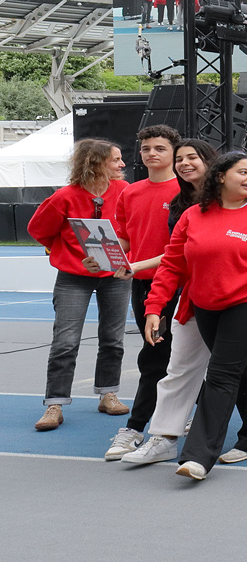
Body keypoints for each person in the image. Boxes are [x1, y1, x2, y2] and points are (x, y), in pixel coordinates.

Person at [142, 152, 247, 480]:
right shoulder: (193, 216)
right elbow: (172, 265)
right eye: (242, 172)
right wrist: (154, 307)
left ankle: (197, 455)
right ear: (220, 176)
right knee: (242, 370)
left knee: (221, 374)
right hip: (207, 306)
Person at [119, 141, 229, 465]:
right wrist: (127, 267)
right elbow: (173, 257)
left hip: (233, 297)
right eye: (145, 149)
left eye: (190, 157)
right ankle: (155, 432)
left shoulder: (237, 201)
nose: (184, 163)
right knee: (168, 361)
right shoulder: (180, 204)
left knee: (241, 371)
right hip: (175, 292)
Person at [30, 139, 130, 431]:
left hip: (115, 275)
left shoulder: (124, 191)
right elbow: (39, 229)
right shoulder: (64, 196)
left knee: (113, 339)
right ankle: (55, 404)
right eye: (115, 159)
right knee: (65, 341)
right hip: (73, 277)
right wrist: (68, 255)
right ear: (96, 162)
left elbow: (133, 230)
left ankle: (108, 393)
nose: (122, 164)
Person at [102, 125, 182, 458]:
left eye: (159, 148)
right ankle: (182, 416)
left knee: (157, 358)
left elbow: (179, 251)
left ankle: (135, 428)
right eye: (146, 148)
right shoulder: (130, 192)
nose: (151, 153)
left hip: (176, 285)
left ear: (174, 153)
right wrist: (104, 258)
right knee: (166, 357)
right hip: (142, 285)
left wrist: (136, 263)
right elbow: (124, 239)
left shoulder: (184, 191)